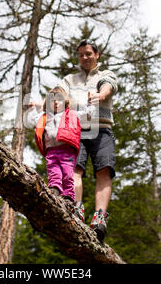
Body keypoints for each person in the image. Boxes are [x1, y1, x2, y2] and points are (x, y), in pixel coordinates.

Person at [56, 39, 118, 242]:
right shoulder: (70, 79)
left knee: (104, 170)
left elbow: (108, 86)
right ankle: (76, 209)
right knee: (74, 169)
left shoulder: (105, 74)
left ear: (96, 55)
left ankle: (99, 219)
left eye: (88, 53)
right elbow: (58, 92)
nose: (85, 57)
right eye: (81, 54)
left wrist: (101, 95)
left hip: (102, 128)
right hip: (76, 129)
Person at [26, 87, 95, 203]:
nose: (56, 103)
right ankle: (54, 189)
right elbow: (32, 121)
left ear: (65, 101)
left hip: (66, 150)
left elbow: (87, 114)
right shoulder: (45, 117)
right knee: (54, 172)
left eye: (59, 100)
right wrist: (31, 109)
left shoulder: (72, 114)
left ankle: (68, 196)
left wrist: (90, 103)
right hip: (51, 151)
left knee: (68, 174)